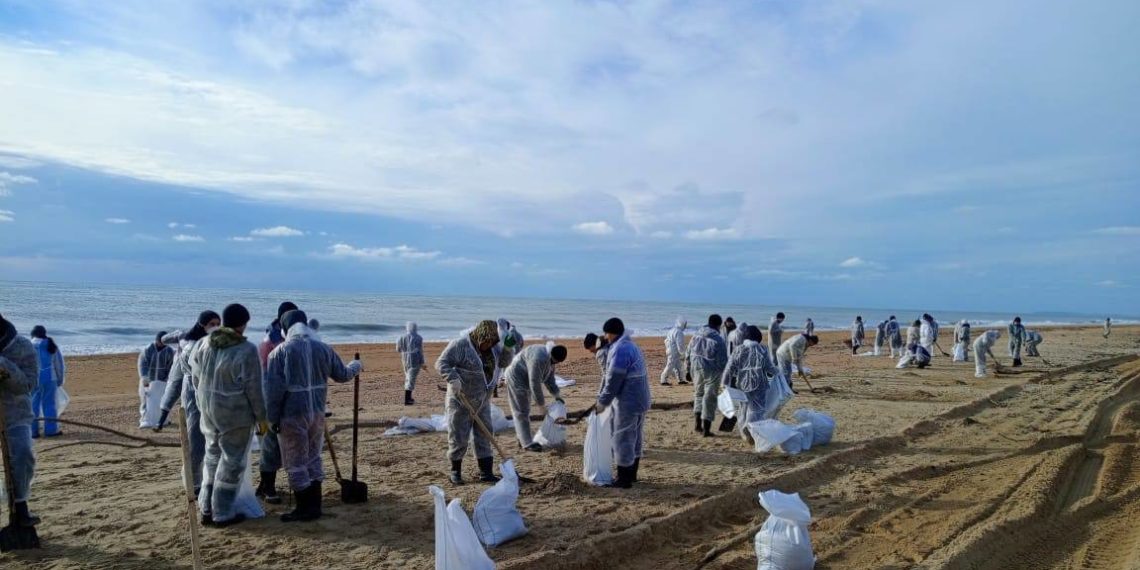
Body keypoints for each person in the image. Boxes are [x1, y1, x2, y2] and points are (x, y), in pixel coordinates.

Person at [264, 310, 362, 522]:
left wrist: (271, 420)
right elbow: (343, 375)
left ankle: (304, 508)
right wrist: (356, 366)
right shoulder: (323, 348)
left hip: (291, 415)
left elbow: (273, 392)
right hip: (317, 413)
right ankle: (314, 505)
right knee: (313, 457)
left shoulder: (279, 352)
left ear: (284, 328)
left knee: (294, 460)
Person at [190, 303, 266, 527]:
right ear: (242, 324)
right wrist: (262, 417)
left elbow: (195, 377)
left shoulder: (204, 343)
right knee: (232, 463)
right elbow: (254, 389)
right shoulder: (245, 349)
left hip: (208, 411)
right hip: (235, 414)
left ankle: (205, 508)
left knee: (212, 457)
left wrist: (202, 402)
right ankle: (222, 512)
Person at [156, 310, 221, 498]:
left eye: (218, 323)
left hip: (207, 393)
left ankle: (204, 480)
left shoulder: (208, 342)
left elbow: (169, 338)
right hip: (193, 392)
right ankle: (194, 483)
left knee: (210, 440)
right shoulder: (191, 343)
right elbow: (181, 377)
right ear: (202, 324)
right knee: (196, 440)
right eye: (212, 323)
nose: (216, 327)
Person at [437, 320, 508, 485]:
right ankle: (455, 471)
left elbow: (504, 362)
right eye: (487, 340)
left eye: (492, 341)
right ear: (480, 334)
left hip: (482, 400)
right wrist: (453, 379)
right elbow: (442, 363)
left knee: (485, 433)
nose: (488, 344)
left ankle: (486, 472)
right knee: (458, 435)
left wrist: (509, 348)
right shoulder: (460, 345)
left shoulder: (494, 349)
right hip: (461, 399)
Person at [595, 318, 650, 489]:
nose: (605, 337)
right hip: (640, 399)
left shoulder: (621, 349)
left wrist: (603, 401)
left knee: (623, 438)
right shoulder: (630, 345)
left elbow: (613, 380)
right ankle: (631, 475)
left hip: (628, 400)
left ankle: (623, 480)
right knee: (635, 438)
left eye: (606, 333)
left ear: (611, 333)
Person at [254, 301, 298, 506]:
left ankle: (264, 485)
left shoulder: (286, 338)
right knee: (270, 444)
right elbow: (267, 376)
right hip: (267, 400)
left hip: (285, 399)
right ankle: (268, 488)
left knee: (277, 446)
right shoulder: (270, 342)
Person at [0, 313, 42, 527]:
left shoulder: (23, 346)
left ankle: (20, 507)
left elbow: (28, 385)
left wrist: (5, 367)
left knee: (23, 456)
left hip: (15, 413)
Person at [504, 343, 566, 451]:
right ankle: (527, 443)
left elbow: (549, 379)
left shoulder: (550, 359)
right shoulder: (539, 358)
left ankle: (522, 437)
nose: (554, 364)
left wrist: (556, 395)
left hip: (525, 379)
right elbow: (534, 383)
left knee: (525, 409)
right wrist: (541, 405)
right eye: (554, 361)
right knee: (521, 411)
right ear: (551, 355)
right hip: (516, 378)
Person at [721, 325, 777, 445]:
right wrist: (779, 373)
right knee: (756, 409)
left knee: (743, 408)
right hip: (759, 385)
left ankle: (745, 432)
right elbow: (769, 368)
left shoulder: (738, 349)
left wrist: (724, 383)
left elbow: (729, 369)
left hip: (742, 384)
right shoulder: (763, 349)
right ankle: (750, 429)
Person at [687, 314, 729, 437]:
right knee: (709, 398)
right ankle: (706, 429)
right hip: (712, 370)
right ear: (719, 325)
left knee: (698, 394)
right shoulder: (718, 339)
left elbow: (688, 352)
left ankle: (697, 425)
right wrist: (725, 376)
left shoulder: (696, 335)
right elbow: (723, 361)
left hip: (696, 368)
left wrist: (687, 370)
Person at [29, 325, 65, 438]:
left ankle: (33, 432)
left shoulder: (29, 345)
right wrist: (60, 379)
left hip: (33, 379)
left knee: (32, 405)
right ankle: (50, 430)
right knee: (50, 404)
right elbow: (59, 365)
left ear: (33, 334)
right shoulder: (51, 345)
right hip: (50, 378)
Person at [138, 331, 175, 429]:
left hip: (162, 381)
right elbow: (143, 364)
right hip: (148, 381)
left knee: (162, 400)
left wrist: (168, 379)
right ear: (157, 340)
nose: (162, 343)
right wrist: (144, 378)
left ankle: (163, 419)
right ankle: (145, 419)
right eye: (160, 341)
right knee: (146, 399)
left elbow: (171, 367)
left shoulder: (170, 351)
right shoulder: (148, 349)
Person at [397, 321, 425, 406]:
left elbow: (398, 349)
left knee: (408, 377)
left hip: (404, 359)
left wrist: (405, 351)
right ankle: (407, 399)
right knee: (411, 379)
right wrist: (422, 361)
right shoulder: (419, 338)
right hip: (415, 359)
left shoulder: (400, 337)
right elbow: (420, 351)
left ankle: (409, 398)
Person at [660, 317, 687, 386]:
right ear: (682, 324)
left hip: (670, 349)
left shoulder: (672, 330)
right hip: (674, 351)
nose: (686, 326)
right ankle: (663, 379)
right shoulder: (679, 332)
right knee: (670, 365)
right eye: (685, 324)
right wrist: (683, 353)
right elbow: (680, 344)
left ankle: (681, 380)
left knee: (678, 365)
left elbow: (666, 341)